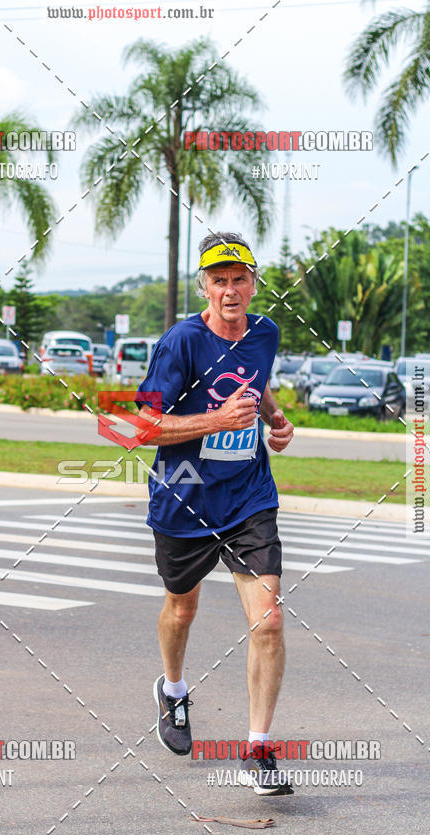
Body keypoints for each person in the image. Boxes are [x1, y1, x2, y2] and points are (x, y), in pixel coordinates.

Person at [136, 232, 295, 795]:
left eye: (239, 278)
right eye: (219, 279)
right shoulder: (180, 343)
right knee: (182, 610)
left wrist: (273, 418)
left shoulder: (265, 333)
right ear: (204, 285)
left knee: (269, 620)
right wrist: (217, 420)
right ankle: (173, 690)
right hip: (185, 496)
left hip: (250, 496)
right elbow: (143, 427)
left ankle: (257, 750)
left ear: (254, 283)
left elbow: (258, 380)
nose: (230, 290)